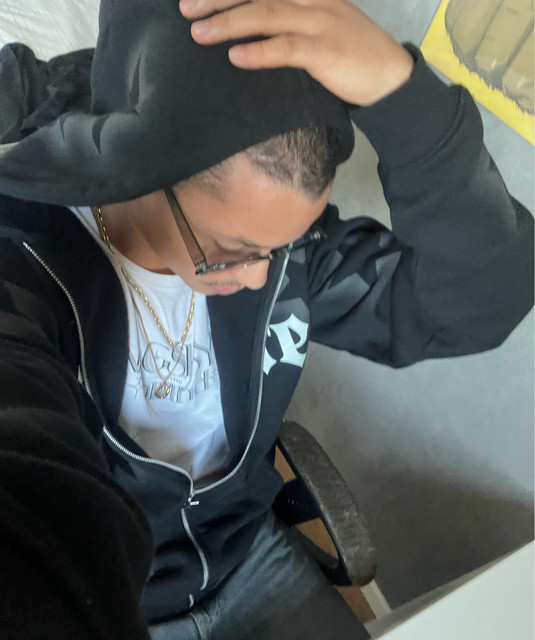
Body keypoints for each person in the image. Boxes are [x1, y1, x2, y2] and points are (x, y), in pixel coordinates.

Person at [0, 0, 532, 638]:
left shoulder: (287, 258)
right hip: (120, 596)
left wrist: (407, 102)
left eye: (280, 246)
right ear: (133, 170)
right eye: (231, 249)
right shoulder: (24, 271)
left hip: (246, 554)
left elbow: (478, 303)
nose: (258, 277)